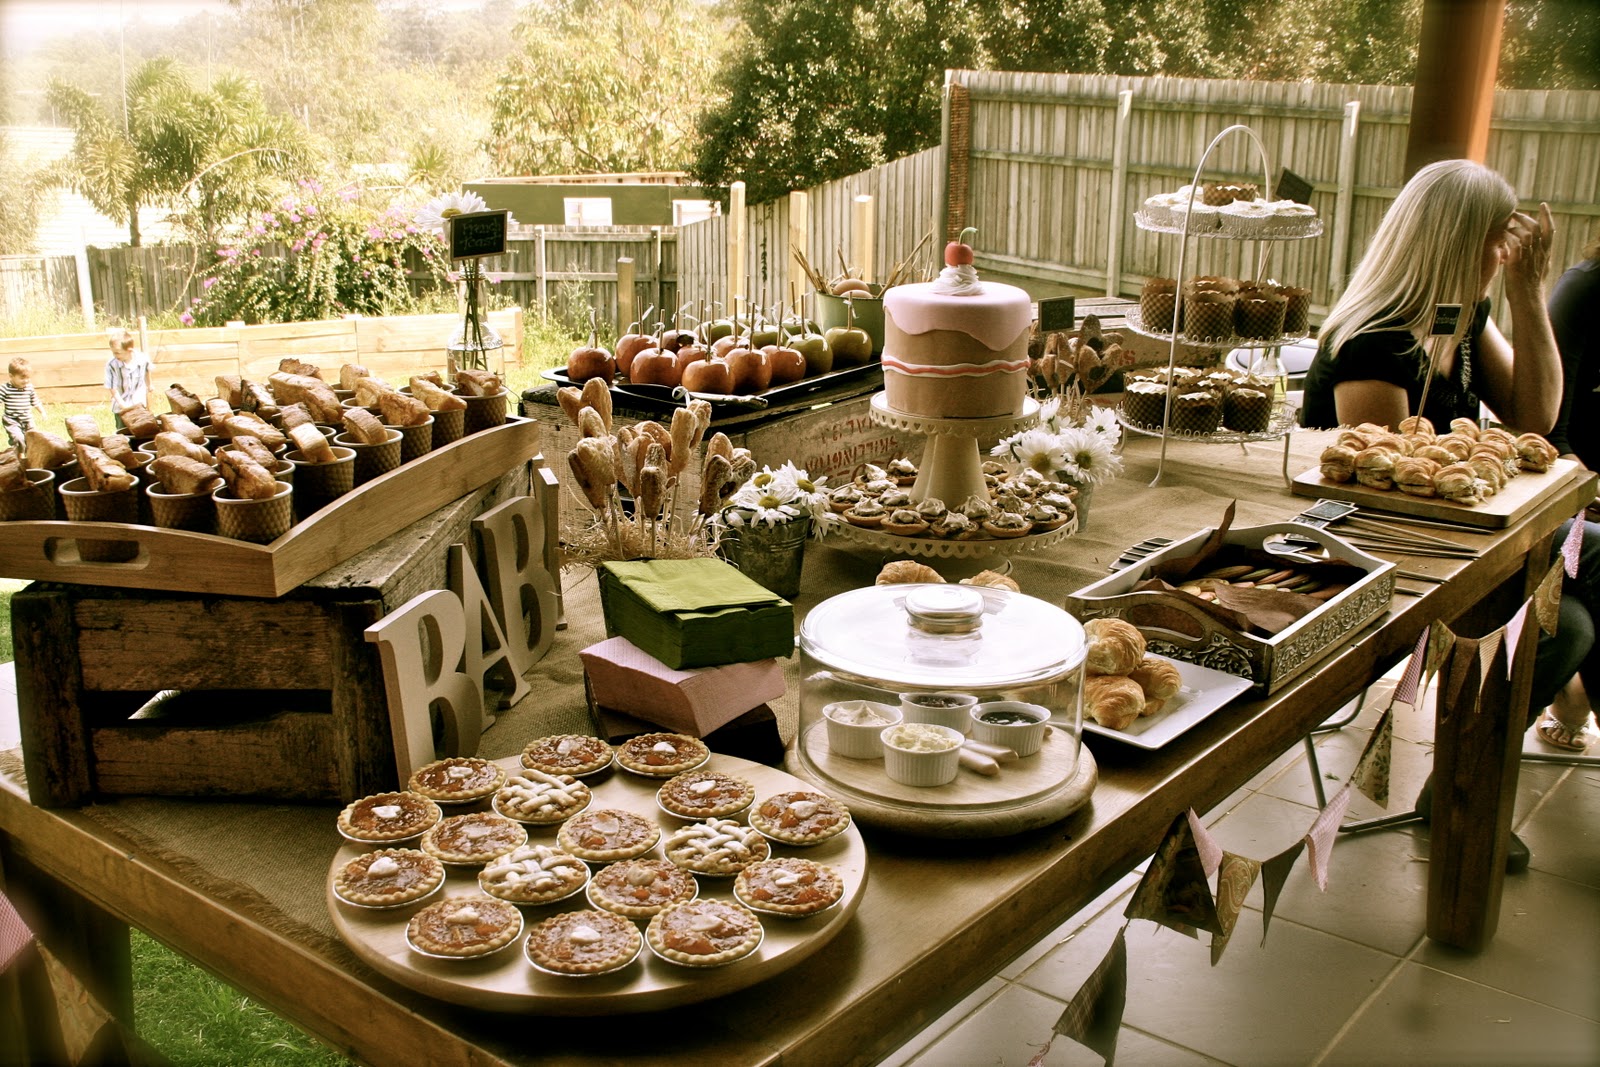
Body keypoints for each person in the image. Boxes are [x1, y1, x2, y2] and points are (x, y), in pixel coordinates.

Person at [1301, 159, 1576, 867]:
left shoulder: (1459, 318)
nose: (1509, 255)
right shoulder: (1376, 343)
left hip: (1458, 543)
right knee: (1563, 625)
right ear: (1459, 241)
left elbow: (1536, 416)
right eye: (1500, 242)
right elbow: (1387, 496)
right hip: (1378, 563)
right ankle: (1461, 789)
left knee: (1585, 589)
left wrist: (1527, 292)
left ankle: (1469, 782)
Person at [1537, 226, 1600, 752]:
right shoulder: (1586, 288)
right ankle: (1576, 696)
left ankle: (1577, 696)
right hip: (1575, 482)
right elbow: (1544, 425)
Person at [105, 328, 151, 430]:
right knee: (123, 432)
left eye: (117, 353)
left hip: (139, 403)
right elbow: (112, 388)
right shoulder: (112, 365)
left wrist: (149, 384)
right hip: (121, 404)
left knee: (142, 430)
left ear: (129, 350)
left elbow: (147, 370)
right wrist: (123, 406)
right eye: (113, 353)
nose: (115, 356)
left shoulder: (142, 359)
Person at [1, 356, 46, 452]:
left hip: (27, 419)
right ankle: (19, 456)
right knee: (18, 439)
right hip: (12, 420)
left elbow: (35, 401)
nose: (26, 381)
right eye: (22, 378)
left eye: (28, 378)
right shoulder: (5, 389)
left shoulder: (29, 388)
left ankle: (31, 456)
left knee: (33, 438)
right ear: (11, 376)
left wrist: (42, 412)